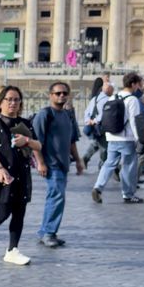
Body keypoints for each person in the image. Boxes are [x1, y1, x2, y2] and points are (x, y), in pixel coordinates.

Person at [0, 86, 41, 265]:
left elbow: (38, 146)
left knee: (20, 212)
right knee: (3, 212)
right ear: (1, 102)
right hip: (3, 171)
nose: (13, 103)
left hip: (22, 172)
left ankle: (12, 250)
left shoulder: (25, 123)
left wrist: (26, 141)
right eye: (9, 99)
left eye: (16, 99)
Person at [32, 82, 83, 248]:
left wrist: (78, 160)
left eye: (64, 93)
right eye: (58, 93)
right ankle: (48, 232)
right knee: (57, 198)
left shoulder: (68, 115)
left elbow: (72, 141)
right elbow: (35, 141)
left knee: (54, 198)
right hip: (51, 164)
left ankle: (46, 231)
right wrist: (40, 163)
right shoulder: (45, 114)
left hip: (63, 164)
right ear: (50, 95)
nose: (61, 96)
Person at [91, 73, 144, 204]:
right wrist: (139, 139)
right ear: (133, 84)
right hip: (126, 138)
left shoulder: (113, 96)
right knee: (128, 166)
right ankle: (128, 194)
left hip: (112, 136)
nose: (139, 87)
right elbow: (134, 121)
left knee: (109, 163)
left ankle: (98, 187)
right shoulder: (132, 100)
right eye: (138, 84)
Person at [80, 79, 111, 169]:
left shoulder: (94, 99)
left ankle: (85, 158)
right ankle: (102, 165)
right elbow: (104, 114)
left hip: (94, 127)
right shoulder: (107, 99)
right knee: (104, 146)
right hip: (101, 127)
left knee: (97, 143)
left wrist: (88, 121)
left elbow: (87, 112)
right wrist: (95, 121)